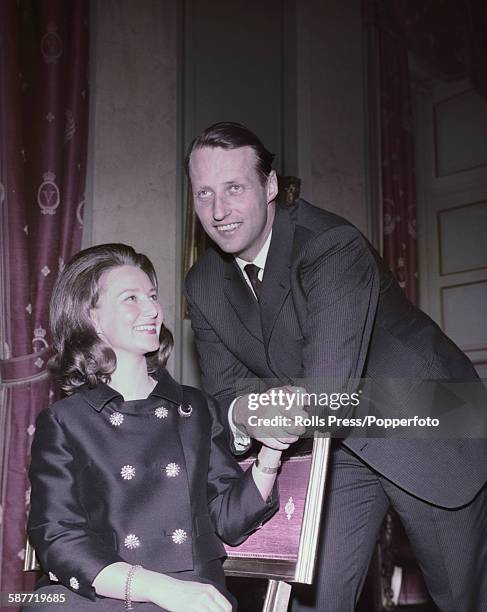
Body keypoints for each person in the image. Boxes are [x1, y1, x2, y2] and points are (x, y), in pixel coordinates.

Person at [184, 122, 487, 612]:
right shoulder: (203, 284)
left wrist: (268, 411)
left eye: (235, 188)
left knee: (461, 596)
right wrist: (244, 414)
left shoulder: (330, 245)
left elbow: (328, 389)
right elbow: (225, 393)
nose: (218, 211)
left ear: (271, 186)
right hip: (333, 440)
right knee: (313, 598)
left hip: (425, 417)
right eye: (204, 193)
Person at [26, 243, 289, 611]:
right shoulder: (65, 422)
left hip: (194, 589)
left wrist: (271, 453)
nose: (152, 309)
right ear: (92, 318)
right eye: (131, 298)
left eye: (152, 296)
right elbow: (57, 537)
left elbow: (228, 520)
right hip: (113, 588)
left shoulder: (194, 408)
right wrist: (154, 587)